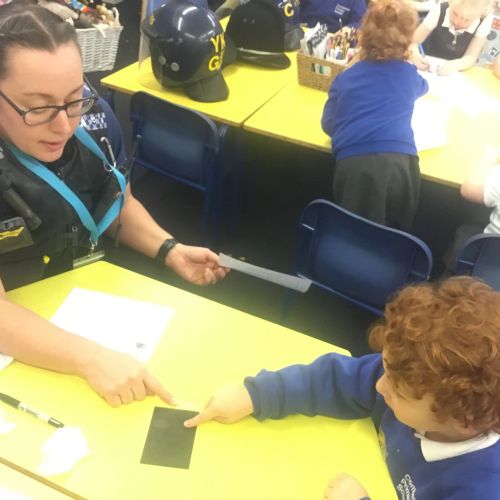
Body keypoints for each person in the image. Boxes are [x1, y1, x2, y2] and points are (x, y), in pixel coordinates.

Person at [0, 0, 228, 407]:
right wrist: (89, 359)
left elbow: (116, 200)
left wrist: (168, 248)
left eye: (74, 98)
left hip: (87, 309)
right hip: (23, 344)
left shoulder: (95, 120)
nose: (64, 125)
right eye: (38, 107)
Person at [184, 277, 500, 499]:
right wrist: (256, 395)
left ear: (463, 420)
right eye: (385, 370)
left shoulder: (481, 488)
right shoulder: (411, 375)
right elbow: (336, 378)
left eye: (398, 393)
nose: (379, 386)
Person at [321, 0, 428, 230]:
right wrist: (409, 60)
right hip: (403, 163)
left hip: (355, 163)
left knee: (355, 230)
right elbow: (423, 87)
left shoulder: (345, 78)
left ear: (361, 38)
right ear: (408, 44)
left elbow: (328, 124)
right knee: (395, 231)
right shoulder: (409, 75)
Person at [411, 0, 493, 75]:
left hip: (455, 73)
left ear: (480, 15)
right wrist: (415, 55)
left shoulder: (485, 20)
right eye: (455, 13)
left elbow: (471, 56)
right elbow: (413, 41)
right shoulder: (440, 9)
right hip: (427, 65)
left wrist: (455, 65)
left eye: (467, 20)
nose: (457, 21)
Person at [300, 0, 367, 34]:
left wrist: (349, 28)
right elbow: (294, 8)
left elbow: (360, 22)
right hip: (302, 34)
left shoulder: (356, 2)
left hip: (334, 42)